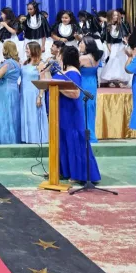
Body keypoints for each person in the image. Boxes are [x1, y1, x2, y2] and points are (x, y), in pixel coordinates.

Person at [53, 46, 101, 184]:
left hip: (70, 111)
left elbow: (75, 93)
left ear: (64, 56)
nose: (57, 56)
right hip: (61, 110)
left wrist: (57, 86)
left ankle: (79, 173)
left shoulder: (73, 72)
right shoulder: (62, 71)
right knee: (64, 140)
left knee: (74, 140)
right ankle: (64, 170)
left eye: (59, 54)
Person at [20, 41, 48, 144]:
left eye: (28, 48)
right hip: (24, 93)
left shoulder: (41, 64)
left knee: (34, 116)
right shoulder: (25, 63)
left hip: (34, 93)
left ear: (33, 50)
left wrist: (40, 96)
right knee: (26, 115)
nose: (26, 50)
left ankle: (36, 138)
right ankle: (26, 138)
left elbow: (43, 81)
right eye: (26, 48)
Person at [78, 37, 103, 143]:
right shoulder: (96, 57)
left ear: (87, 45)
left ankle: (85, 135)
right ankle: (90, 134)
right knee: (90, 109)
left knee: (82, 109)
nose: (80, 45)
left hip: (83, 83)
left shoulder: (83, 58)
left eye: (81, 43)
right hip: (92, 83)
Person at [101, 9, 131, 87]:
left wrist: (125, 41)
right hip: (112, 46)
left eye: (117, 15)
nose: (116, 17)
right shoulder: (107, 26)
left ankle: (120, 80)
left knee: (121, 62)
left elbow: (126, 35)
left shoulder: (122, 25)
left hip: (121, 46)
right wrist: (110, 50)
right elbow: (107, 40)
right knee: (112, 61)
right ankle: (111, 80)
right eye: (114, 15)